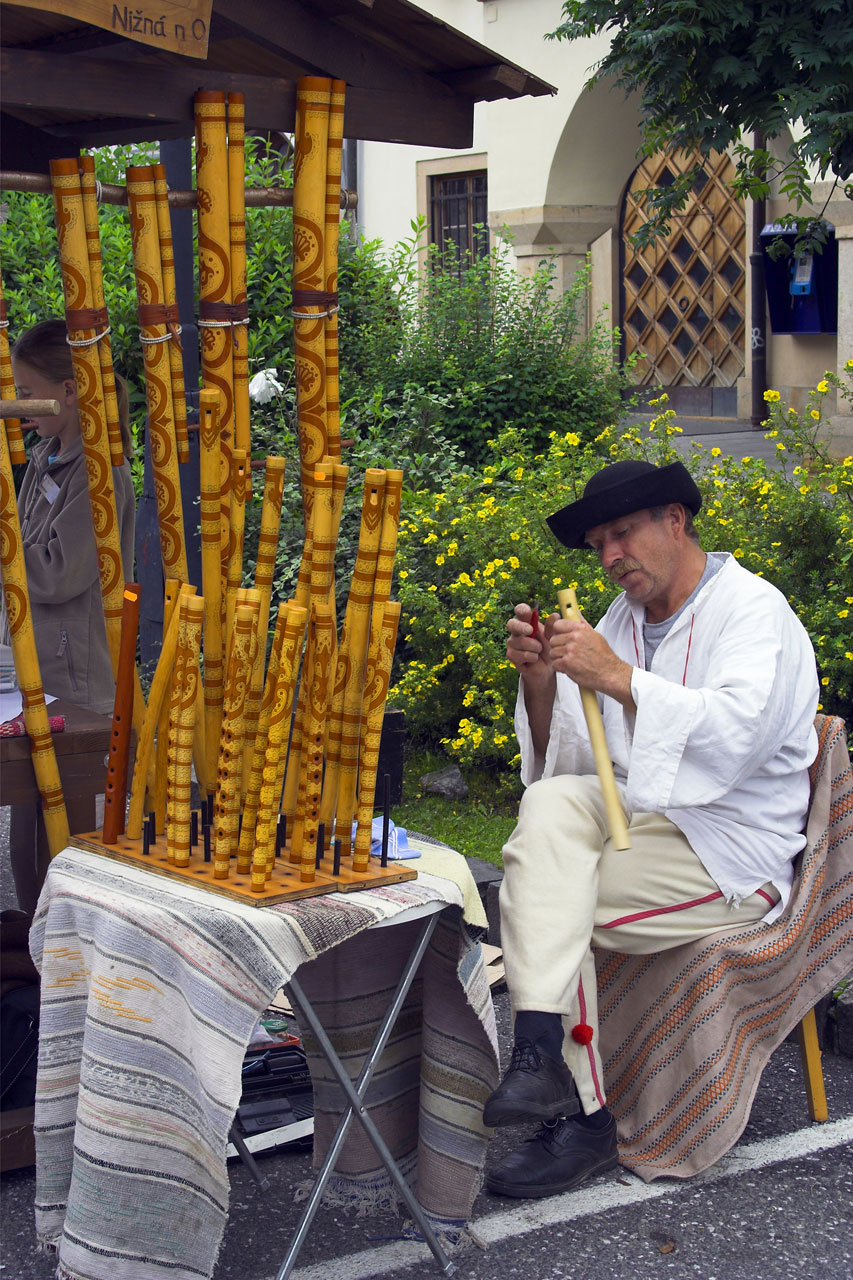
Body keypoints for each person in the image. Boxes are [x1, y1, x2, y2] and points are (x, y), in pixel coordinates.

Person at [483, 458, 819, 1199]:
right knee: (546, 813)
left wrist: (618, 679)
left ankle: (585, 1115)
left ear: (676, 520)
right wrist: (541, 679)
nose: (608, 558)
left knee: (547, 900)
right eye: (598, 543)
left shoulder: (752, 612)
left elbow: (737, 735)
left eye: (622, 534)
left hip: (729, 849)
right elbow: (571, 759)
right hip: (645, 818)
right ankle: (539, 1052)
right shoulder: (624, 620)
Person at [2, 319, 136, 912]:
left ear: (72, 388)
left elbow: (59, 572)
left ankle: (64, 959)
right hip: (38, 670)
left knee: (69, 840)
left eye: (28, 392)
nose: (20, 406)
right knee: (28, 836)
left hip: (78, 677)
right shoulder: (45, 457)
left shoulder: (100, 471)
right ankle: (34, 951)